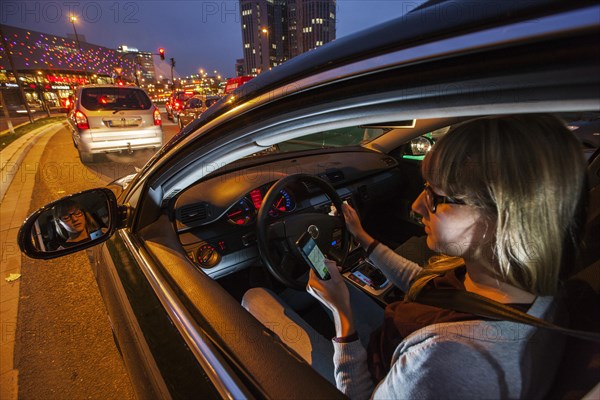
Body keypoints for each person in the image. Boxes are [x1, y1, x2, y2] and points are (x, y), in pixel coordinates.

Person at [243, 114, 588, 399]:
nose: (417, 206)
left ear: (501, 219)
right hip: (395, 341)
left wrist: (342, 316)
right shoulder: (532, 284)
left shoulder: (446, 360)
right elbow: (425, 285)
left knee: (255, 297)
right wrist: (364, 239)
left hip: (367, 376)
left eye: (436, 196)